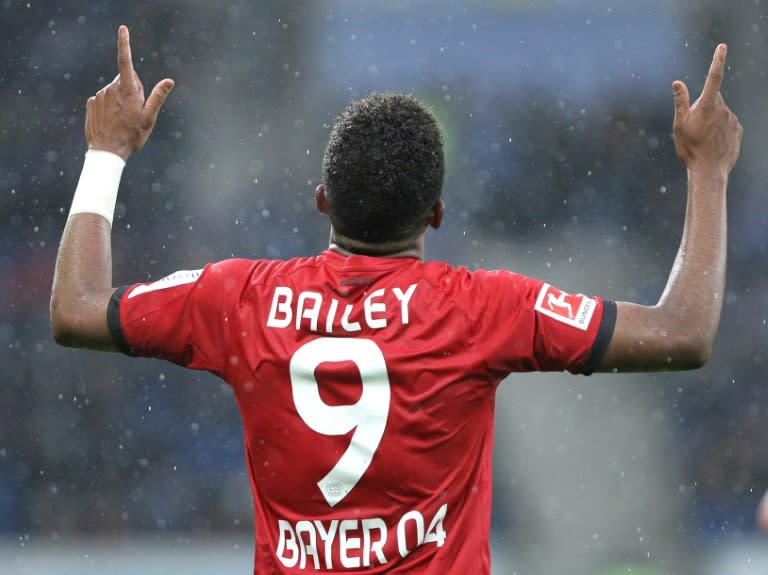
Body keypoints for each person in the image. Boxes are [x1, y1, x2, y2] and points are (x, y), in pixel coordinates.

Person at [50, 25, 742, 575]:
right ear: (436, 213)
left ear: (322, 201)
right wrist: (708, 172)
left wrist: (106, 152)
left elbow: (76, 308)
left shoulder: (239, 297)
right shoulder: (483, 309)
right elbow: (683, 331)